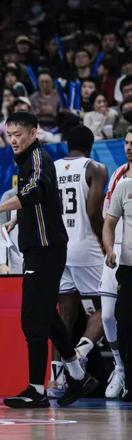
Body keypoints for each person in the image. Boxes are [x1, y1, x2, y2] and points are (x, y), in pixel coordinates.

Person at [0, 112, 98, 408]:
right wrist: (18, 218)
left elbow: (35, 191)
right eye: (10, 134)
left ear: (34, 133)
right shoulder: (25, 160)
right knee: (47, 316)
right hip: (37, 247)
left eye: (18, 134)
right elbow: (41, 200)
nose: (13, 140)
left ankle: (36, 389)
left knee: (33, 320)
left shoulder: (39, 158)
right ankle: (78, 375)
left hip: (46, 248)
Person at [47, 125, 107, 399]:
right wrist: (105, 241)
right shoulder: (95, 168)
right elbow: (93, 212)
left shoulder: (52, 168)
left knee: (65, 315)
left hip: (59, 247)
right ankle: (80, 354)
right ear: (91, 145)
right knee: (105, 307)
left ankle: (56, 379)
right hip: (86, 246)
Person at [102, 127, 132, 402]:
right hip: (123, 259)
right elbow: (108, 219)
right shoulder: (120, 178)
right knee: (111, 316)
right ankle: (122, 371)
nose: (129, 147)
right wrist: (109, 248)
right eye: (126, 142)